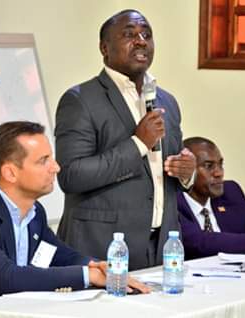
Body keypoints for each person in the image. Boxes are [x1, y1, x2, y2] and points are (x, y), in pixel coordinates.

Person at [0, 121, 149, 318]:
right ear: (10, 172)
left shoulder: (34, 211)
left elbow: (58, 254)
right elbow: (6, 278)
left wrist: (94, 265)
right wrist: (88, 276)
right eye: (43, 161)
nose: (56, 167)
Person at [54, 9, 196, 270]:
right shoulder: (80, 100)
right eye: (129, 34)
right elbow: (71, 176)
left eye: (147, 35)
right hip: (101, 248)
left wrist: (187, 173)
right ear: (104, 48)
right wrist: (138, 144)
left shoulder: (167, 101)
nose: (141, 40)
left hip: (160, 247)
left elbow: (167, 173)